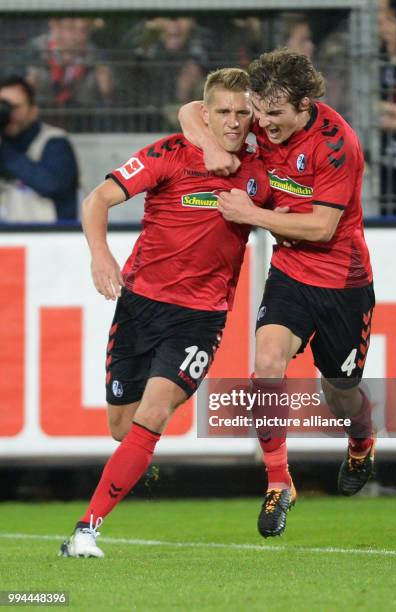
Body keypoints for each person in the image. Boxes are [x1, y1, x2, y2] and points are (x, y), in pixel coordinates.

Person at [59, 68, 271, 558]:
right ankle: (135, 457)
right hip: (140, 305)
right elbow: (98, 199)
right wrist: (101, 254)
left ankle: (86, 530)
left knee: (154, 413)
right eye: (224, 112)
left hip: (201, 317)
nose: (235, 122)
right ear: (205, 113)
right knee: (122, 426)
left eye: (243, 112)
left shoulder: (264, 168)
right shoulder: (170, 153)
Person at [179, 49, 375, 538]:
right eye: (257, 111)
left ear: (304, 104)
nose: (261, 124)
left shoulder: (336, 143)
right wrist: (211, 147)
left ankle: (361, 440)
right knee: (266, 363)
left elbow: (324, 226)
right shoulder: (264, 119)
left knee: (340, 392)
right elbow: (189, 111)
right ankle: (278, 481)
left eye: (274, 114)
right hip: (290, 273)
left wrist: (253, 216)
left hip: (342, 282)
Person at [0, 75, 79, 222]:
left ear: (33, 110)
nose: (7, 113)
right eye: (3, 106)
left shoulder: (54, 141)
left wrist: (3, 150)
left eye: (14, 107)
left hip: (49, 239)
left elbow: (51, 185)